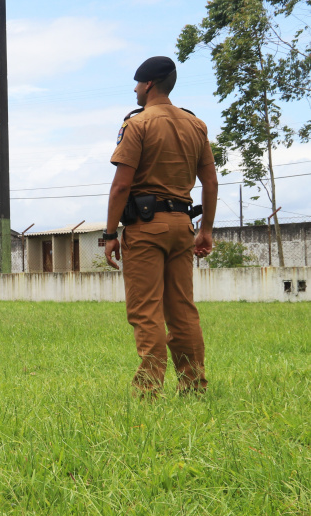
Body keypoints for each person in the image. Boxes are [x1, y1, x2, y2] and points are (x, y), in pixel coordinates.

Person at [105, 55, 218, 397]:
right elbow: (210, 183)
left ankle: (149, 389)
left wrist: (110, 234)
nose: (136, 89)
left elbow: (121, 186)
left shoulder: (137, 125)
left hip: (145, 229)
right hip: (183, 226)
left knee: (146, 310)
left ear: (149, 84)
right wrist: (206, 230)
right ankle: (194, 384)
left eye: (138, 83)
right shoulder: (195, 125)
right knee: (182, 308)